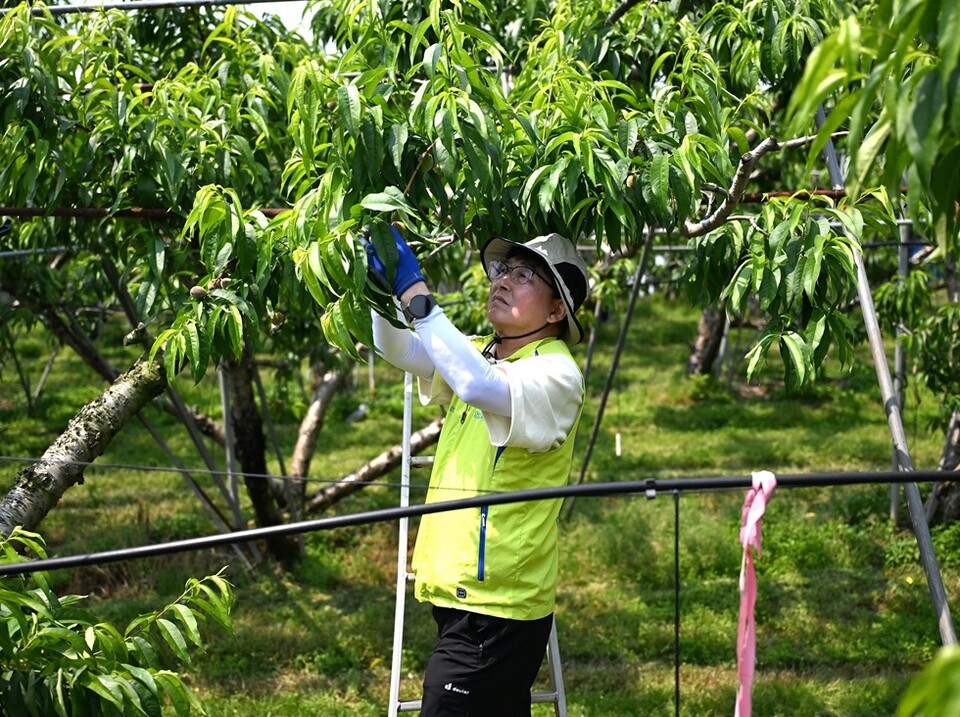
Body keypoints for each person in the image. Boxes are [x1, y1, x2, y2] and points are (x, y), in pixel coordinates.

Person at [366, 225, 589, 717]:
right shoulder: (483, 353)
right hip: (464, 595)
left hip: (498, 607)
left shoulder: (556, 373)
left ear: (557, 311)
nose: (503, 281)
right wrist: (378, 293)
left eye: (525, 275)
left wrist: (414, 290)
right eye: (503, 269)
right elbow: (401, 350)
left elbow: (475, 384)